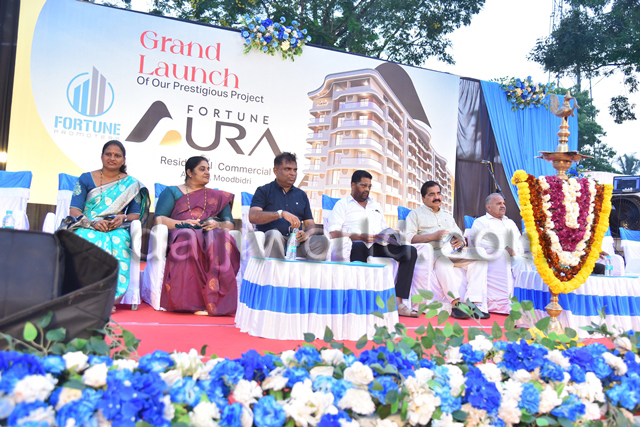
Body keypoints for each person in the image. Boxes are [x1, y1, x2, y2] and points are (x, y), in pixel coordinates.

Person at [155, 156, 240, 316]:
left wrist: (217, 224)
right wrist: (182, 223)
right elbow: (159, 219)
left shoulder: (218, 196)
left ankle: (216, 302)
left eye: (208, 169)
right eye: (202, 169)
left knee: (221, 238)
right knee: (189, 237)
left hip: (208, 232)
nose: (207, 172)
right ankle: (190, 302)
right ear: (189, 172)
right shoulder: (172, 191)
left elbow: (229, 224)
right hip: (181, 232)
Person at [328, 170, 419, 317]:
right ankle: (360, 300)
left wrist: (391, 236)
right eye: (363, 185)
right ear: (353, 185)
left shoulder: (376, 205)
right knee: (359, 246)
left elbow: (384, 228)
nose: (367, 189)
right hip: (356, 244)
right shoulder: (342, 205)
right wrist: (359, 236)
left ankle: (398, 302)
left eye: (369, 186)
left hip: (378, 245)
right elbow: (333, 233)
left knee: (410, 252)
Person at [68, 140, 149, 303]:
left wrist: (123, 217)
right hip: (87, 224)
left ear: (123, 160)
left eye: (117, 155)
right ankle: (82, 295)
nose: (112, 158)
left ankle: (108, 298)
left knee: (119, 242)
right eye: (108, 154)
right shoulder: (86, 178)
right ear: (102, 156)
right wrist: (92, 223)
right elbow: (74, 210)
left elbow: (135, 214)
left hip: (115, 227)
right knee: (84, 239)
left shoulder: (132, 184)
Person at [405, 181, 488, 319]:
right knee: (443, 260)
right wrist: (433, 236)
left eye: (438, 193)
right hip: (433, 250)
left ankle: (472, 303)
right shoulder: (415, 215)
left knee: (480, 255)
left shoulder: (447, 216)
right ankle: (456, 304)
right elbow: (409, 237)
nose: (437, 197)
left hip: (454, 251)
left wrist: (460, 241)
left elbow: (460, 235)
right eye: (432, 194)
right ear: (423, 198)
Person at [249, 152, 329, 260]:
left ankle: (305, 271)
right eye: (288, 169)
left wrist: (306, 234)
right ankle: (277, 269)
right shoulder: (264, 191)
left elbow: (310, 223)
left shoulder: (301, 195)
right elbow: (253, 216)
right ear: (275, 171)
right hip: (274, 242)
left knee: (322, 241)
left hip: (297, 244)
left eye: (295, 170)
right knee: (274, 234)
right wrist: (280, 214)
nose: (293, 173)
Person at [468, 193, 533, 313]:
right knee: (520, 262)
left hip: (516, 256)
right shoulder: (481, 222)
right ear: (488, 207)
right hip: (496, 258)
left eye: (503, 203)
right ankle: (518, 303)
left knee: (530, 260)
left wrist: (518, 251)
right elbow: (478, 242)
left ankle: (526, 301)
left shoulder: (510, 222)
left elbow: (519, 240)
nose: (503, 206)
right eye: (498, 203)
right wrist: (504, 249)